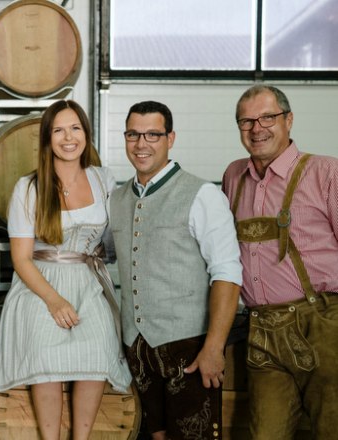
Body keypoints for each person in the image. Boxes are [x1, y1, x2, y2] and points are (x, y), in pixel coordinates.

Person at [0, 99, 131, 440]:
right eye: (59, 130)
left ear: (86, 134)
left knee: (98, 356)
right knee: (45, 362)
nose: (69, 137)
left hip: (88, 277)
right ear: (47, 138)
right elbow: (21, 258)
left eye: (75, 128)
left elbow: (113, 242)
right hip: (41, 282)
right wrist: (54, 301)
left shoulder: (103, 179)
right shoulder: (29, 187)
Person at [108, 100, 242, 440]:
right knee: (156, 435)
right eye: (133, 134)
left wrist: (214, 347)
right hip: (137, 347)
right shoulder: (117, 199)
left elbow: (226, 272)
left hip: (190, 349)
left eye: (153, 134)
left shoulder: (202, 195)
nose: (142, 144)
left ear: (171, 138)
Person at [222, 85, 338, 439]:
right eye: (247, 121)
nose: (257, 129)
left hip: (323, 324)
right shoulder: (233, 176)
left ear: (288, 120)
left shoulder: (326, 172)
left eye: (267, 118)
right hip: (262, 330)